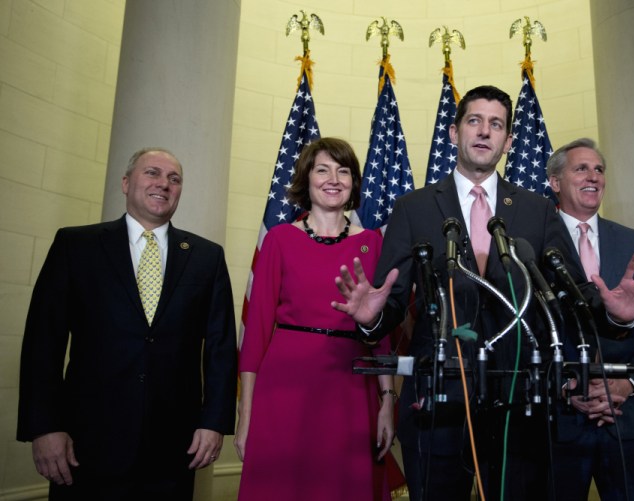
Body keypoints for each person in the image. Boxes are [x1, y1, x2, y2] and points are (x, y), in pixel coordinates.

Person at [331, 86, 634, 501]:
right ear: (454, 132)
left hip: (521, 402)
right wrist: (372, 319)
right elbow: (393, 299)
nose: (484, 132)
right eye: (474, 121)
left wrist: (619, 316)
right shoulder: (413, 208)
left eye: (496, 125)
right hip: (439, 401)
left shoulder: (536, 210)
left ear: (508, 142)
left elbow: (572, 295)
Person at [16, 147, 238, 500]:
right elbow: (44, 343)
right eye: (152, 173)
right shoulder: (76, 245)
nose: (163, 184)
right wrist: (44, 427)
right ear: (125, 182)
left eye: (174, 179)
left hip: (172, 447)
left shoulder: (206, 257)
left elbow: (221, 349)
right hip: (84, 444)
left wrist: (213, 423)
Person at [234, 137, 397, 500]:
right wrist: (245, 415)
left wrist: (387, 401)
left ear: (354, 182)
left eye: (343, 171)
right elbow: (257, 331)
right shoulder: (279, 239)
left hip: (351, 387)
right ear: (306, 179)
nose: (333, 178)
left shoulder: (372, 243)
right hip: (283, 389)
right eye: (322, 169)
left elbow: (382, 333)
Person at [547, 138, 634, 500]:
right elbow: (529, 332)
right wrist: (567, 388)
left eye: (599, 169)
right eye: (581, 168)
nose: (593, 176)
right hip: (561, 421)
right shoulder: (533, 242)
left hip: (629, 420)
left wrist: (627, 385)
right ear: (555, 182)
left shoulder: (633, 241)